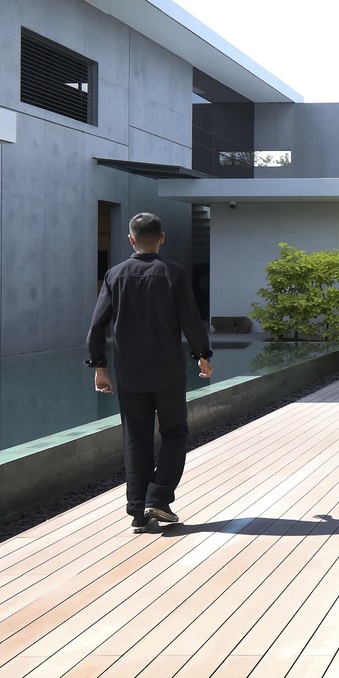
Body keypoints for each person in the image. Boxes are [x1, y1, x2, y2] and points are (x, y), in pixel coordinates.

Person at [86, 212, 213, 532]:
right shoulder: (174, 273)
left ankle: (138, 511)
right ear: (162, 238)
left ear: (131, 239)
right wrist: (202, 355)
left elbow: (97, 325)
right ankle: (158, 497)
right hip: (167, 370)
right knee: (175, 433)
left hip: (129, 373)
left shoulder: (114, 275)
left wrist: (99, 367)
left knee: (136, 438)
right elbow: (190, 318)